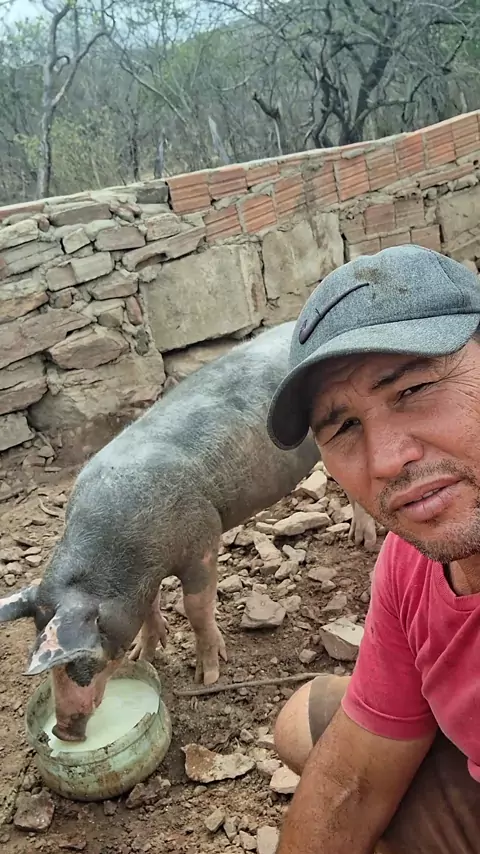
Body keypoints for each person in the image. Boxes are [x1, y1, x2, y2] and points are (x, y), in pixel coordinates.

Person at [266, 244, 480, 854]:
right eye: (344, 427)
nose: (386, 461)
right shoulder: (412, 559)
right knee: (306, 723)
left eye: (413, 388)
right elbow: (352, 783)